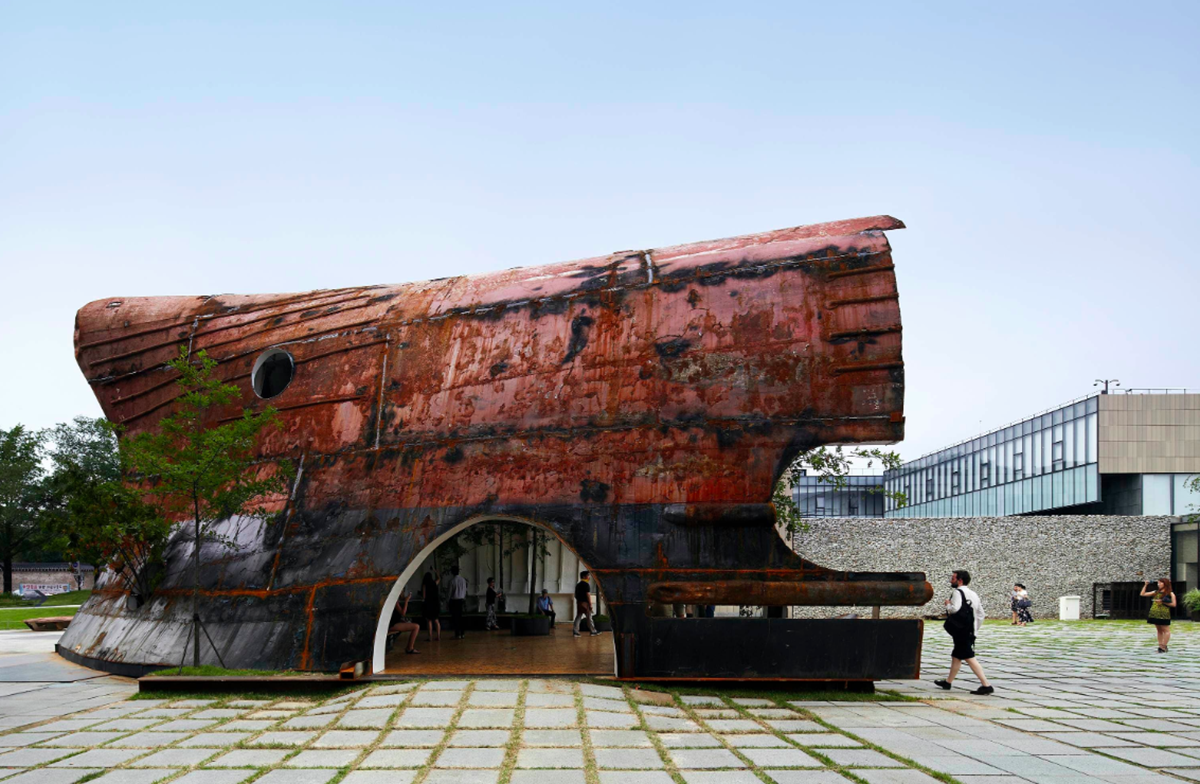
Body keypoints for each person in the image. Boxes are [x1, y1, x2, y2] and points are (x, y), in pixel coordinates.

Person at [934, 570, 994, 695]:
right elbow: (981, 614)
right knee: (956, 656)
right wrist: (975, 629)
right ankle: (948, 682)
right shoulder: (973, 594)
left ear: (959, 580)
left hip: (961, 631)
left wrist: (947, 605)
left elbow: (954, 609)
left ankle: (986, 685)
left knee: (969, 657)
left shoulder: (957, 592)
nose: (951, 580)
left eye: (953, 578)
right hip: (969, 630)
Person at [1141, 577, 1177, 653]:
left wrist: (1163, 602)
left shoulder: (1170, 593)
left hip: (1163, 613)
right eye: (1158, 583)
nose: (1159, 584)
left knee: (1165, 630)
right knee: (1159, 630)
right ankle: (1160, 646)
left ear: (1165, 584)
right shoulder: (1156, 592)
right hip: (1155, 613)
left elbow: (1173, 604)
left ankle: (1164, 646)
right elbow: (1143, 594)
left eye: (1160, 583)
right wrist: (1145, 585)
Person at [573, 570, 599, 637]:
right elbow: (588, 595)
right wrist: (590, 604)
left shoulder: (578, 585)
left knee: (578, 616)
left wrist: (579, 601)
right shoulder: (586, 585)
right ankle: (593, 631)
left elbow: (575, 595)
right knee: (589, 617)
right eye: (588, 575)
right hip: (585, 603)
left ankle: (575, 631)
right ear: (584, 576)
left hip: (579, 602)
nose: (589, 577)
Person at [421, 567, 441, 642]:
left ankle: (430, 637)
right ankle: (438, 636)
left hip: (428, 604)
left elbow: (424, 596)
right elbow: (439, 578)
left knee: (429, 620)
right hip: (435, 603)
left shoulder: (425, 585)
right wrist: (436, 572)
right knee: (436, 620)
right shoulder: (434, 583)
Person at [449, 565, 468, 640]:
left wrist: (447, 601)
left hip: (454, 601)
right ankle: (462, 633)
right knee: (461, 618)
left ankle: (457, 634)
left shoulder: (452, 581)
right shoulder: (463, 580)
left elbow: (449, 593)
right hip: (462, 600)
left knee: (455, 618)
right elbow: (465, 590)